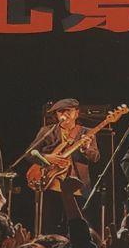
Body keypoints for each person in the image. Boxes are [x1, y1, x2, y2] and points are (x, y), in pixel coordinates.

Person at [25, 98, 100, 232]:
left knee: (77, 228)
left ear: (76, 113)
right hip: (51, 185)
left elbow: (95, 158)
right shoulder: (47, 131)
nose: (64, 114)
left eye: (68, 111)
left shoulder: (86, 133)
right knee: (49, 227)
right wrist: (47, 157)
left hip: (77, 187)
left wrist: (85, 149)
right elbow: (29, 154)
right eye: (60, 112)